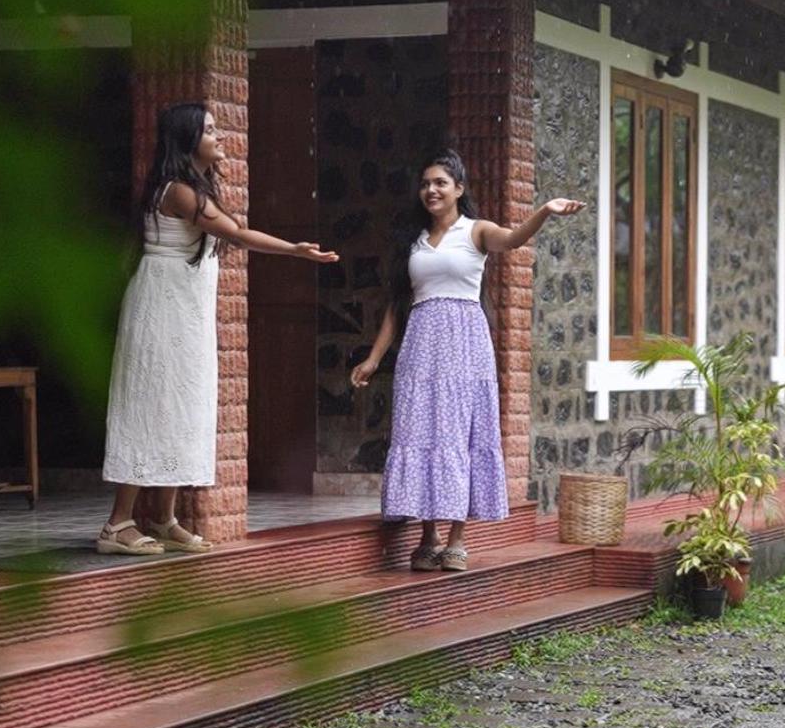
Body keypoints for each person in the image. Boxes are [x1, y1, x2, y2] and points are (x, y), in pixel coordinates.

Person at [99, 102, 338, 556]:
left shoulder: (192, 187)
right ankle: (117, 524)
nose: (219, 136)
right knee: (153, 403)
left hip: (185, 310)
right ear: (189, 140)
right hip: (163, 306)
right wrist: (295, 250)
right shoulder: (180, 192)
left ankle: (164, 517)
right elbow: (237, 234)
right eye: (210, 130)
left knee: (181, 403)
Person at [351, 150, 584, 571]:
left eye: (440, 182)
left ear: (459, 189)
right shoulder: (414, 242)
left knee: (460, 435)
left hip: (464, 345)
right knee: (420, 432)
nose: (431, 190)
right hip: (420, 347)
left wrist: (545, 211)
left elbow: (513, 240)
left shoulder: (476, 231)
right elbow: (396, 305)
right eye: (425, 184)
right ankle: (428, 533)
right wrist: (372, 359)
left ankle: (457, 537)